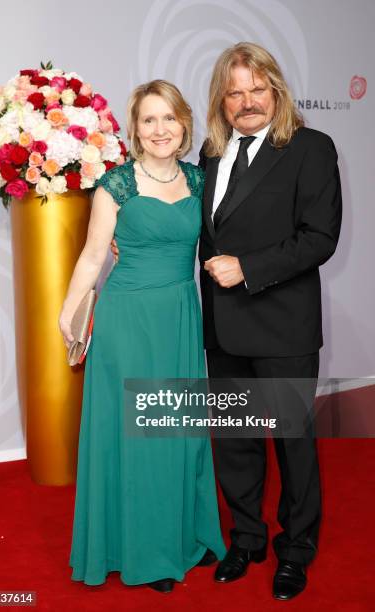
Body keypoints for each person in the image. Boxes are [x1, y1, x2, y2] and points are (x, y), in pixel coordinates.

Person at [59, 79, 226, 594]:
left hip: (178, 318)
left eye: (169, 119)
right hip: (127, 322)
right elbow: (92, 255)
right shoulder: (116, 185)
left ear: (184, 125)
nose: (160, 129)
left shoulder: (201, 180)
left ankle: (173, 539)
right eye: (149, 120)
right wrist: (68, 318)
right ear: (135, 129)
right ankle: (135, 549)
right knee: (134, 435)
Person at [198, 42, 342, 600]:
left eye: (257, 88)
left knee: (293, 442)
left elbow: (320, 238)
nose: (247, 100)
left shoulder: (311, 148)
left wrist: (250, 269)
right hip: (223, 327)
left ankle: (296, 548)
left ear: (276, 90)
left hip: (283, 323)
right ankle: (248, 539)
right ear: (222, 100)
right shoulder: (211, 154)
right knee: (235, 441)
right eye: (234, 91)